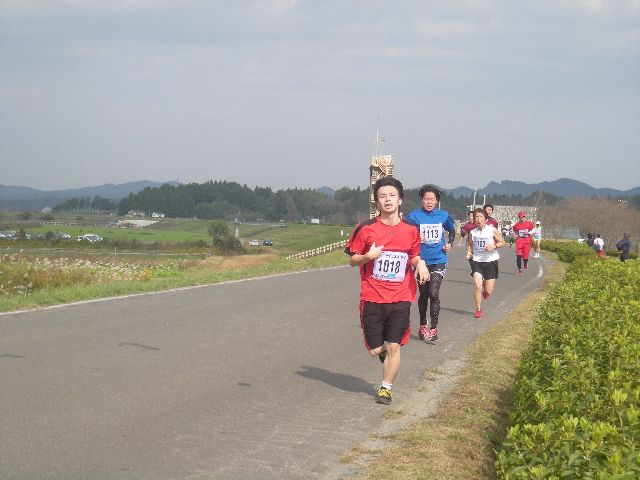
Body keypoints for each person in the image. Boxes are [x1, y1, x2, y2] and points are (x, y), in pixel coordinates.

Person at [344, 176, 429, 405]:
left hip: (401, 296)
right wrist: (368, 256)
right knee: (375, 350)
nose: (388, 199)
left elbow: (414, 255)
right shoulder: (365, 228)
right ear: (377, 201)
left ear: (400, 200)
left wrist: (420, 264)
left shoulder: (411, 230)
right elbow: (352, 260)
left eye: (392, 195)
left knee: (394, 346)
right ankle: (384, 356)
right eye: (382, 196)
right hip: (372, 297)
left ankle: (386, 388)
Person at [406, 185, 456, 343]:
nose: (429, 202)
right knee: (424, 294)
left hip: (439, 259)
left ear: (436, 201)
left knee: (434, 293)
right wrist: (414, 238)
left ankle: (434, 328)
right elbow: (406, 234)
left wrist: (450, 243)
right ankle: (423, 324)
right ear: (422, 200)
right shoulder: (414, 216)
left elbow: (452, 230)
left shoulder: (443, 215)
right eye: (426, 199)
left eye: (432, 199)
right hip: (421, 262)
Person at [466, 207, 505, 318]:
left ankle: (486, 291)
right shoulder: (472, 232)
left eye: (481, 217)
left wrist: (494, 246)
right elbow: (469, 244)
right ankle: (478, 310)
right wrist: (469, 252)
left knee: (488, 291)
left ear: (486, 219)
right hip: (477, 261)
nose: (478, 219)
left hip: (490, 261)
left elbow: (502, 242)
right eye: (476, 217)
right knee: (478, 286)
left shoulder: (492, 230)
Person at [512, 211, 534, 276]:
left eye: (523, 217)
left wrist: (529, 233)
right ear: (518, 217)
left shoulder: (529, 223)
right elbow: (515, 232)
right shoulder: (516, 225)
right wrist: (515, 235)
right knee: (518, 256)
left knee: (525, 257)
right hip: (519, 241)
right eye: (520, 217)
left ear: (525, 217)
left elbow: (533, 230)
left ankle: (525, 263)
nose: (522, 218)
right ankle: (519, 270)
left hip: (527, 242)